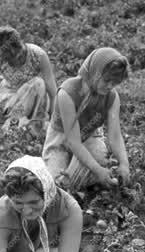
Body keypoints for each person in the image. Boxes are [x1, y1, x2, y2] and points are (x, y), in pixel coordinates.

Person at [42, 47, 131, 191]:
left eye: (114, 83)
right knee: (54, 184)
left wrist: (124, 164)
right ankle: (71, 176)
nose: (110, 86)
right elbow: (73, 142)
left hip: (89, 139)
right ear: (95, 72)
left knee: (97, 156)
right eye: (106, 80)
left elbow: (114, 136)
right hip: (61, 142)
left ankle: (79, 175)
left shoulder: (112, 97)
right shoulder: (68, 93)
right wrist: (98, 170)